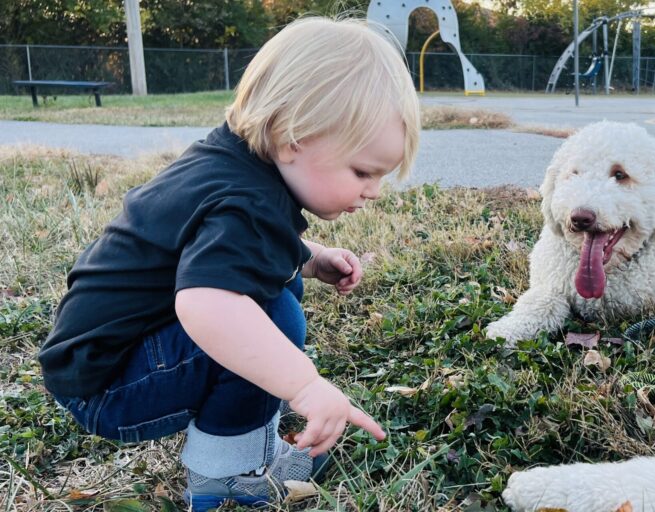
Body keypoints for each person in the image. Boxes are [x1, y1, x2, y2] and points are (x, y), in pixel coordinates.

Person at [37, 15, 420, 511]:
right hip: (108, 387)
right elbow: (206, 305)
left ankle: (244, 438)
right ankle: (227, 476)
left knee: (274, 291)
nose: (373, 190)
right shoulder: (247, 201)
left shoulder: (231, 161)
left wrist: (308, 257)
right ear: (294, 138)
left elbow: (217, 245)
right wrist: (305, 385)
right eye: (363, 171)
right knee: (273, 319)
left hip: (95, 360)